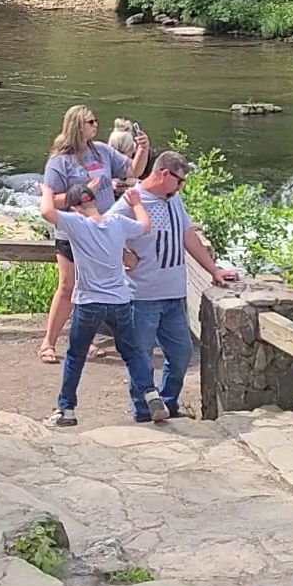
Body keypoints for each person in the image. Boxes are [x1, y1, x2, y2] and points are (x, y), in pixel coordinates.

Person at [116, 151, 240, 423]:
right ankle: (144, 411)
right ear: (163, 174)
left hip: (174, 295)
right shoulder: (130, 202)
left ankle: (167, 403)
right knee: (141, 357)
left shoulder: (174, 200)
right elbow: (101, 234)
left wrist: (214, 270)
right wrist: (125, 257)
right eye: (179, 181)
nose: (181, 187)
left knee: (181, 353)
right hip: (142, 297)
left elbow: (187, 236)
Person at [38, 181, 163, 426]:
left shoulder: (76, 224)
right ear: (94, 201)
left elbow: (46, 212)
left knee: (75, 356)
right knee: (133, 353)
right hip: (119, 300)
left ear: (74, 208)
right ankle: (151, 394)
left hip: (88, 302)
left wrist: (46, 192)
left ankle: (67, 410)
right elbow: (145, 227)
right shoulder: (117, 223)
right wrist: (136, 204)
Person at [37, 105, 148, 363]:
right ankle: (48, 343)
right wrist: (85, 189)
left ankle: (84, 339)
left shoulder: (102, 151)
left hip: (104, 228)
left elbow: (133, 171)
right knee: (68, 285)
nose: (96, 125)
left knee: (102, 282)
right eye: (90, 121)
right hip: (73, 231)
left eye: (96, 121)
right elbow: (50, 199)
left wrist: (142, 149)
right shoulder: (60, 160)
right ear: (77, 125)